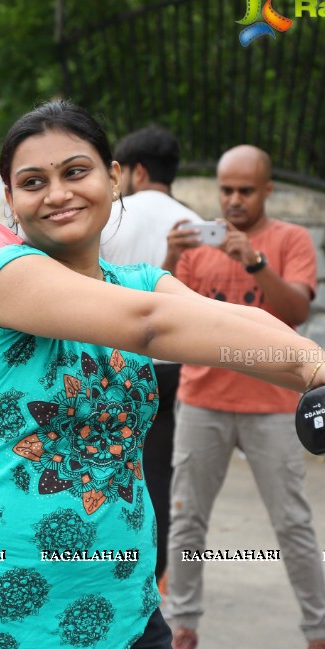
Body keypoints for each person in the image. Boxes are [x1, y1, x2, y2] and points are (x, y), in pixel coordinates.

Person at [0, 99, 325, 649]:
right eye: (33, 182)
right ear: (11, 201)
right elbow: (152, 327)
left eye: (76, 171)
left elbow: (237, 326)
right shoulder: (6, 276)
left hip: (121, 614)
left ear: (115, 180)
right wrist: (320, 368)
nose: (58, 193)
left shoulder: (140, 280)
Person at [165, 145, 325, 649]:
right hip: (202, 402)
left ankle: (319, 636)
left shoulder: (289, 240)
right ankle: (183, 629)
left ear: (267, 190)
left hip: (273, 405)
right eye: (225, 190)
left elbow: (297, 311)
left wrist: (255, 262)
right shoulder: (196, 245)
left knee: (292, 524)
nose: (234, 201)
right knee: (187, 521)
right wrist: (171, 259)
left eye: (245, 190)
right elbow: (162, 314)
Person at [100, 126, 205, 589]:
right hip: (174, 365)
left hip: (113, 360)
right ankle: (156, 576)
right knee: (159, 472)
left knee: (108, 465)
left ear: (136, 170)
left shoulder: (110, 214)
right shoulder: (195, 222)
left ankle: (106, 563)